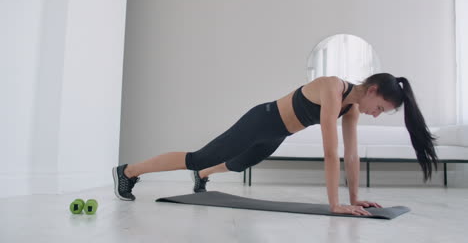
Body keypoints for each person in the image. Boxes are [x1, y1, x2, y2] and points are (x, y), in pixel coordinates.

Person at [112, 73, 438, 216]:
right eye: (380, 108)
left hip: (278, 133)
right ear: (372, 90)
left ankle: (204, 176)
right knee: (199, 156)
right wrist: (335, 204)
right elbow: (331, 150)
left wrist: (355, 199)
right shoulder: (332, 87)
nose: (377, 115)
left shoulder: (352, 109)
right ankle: (129, 171)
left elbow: (350, 155)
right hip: (262, 120)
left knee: (240, 163)